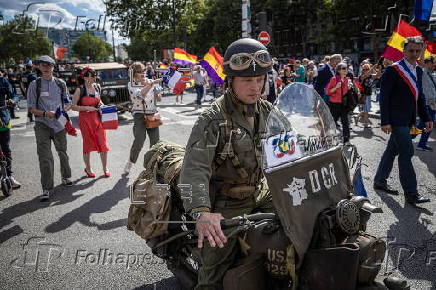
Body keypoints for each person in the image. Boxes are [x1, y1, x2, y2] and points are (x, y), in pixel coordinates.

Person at [180, 38, 275, 289]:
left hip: (259, 192)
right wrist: (202, 212)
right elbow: (193, 170)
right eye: (247, 80)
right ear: (230, 81)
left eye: (260, 79)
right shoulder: (212, 119)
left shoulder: (267, 110)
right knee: (214, 270)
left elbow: (288, 147)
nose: (256, 87)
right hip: (226, 202)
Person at [373, 36, 433, 205]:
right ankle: (411, 193)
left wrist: (427, 117)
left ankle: (379, 180)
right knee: (407, 153)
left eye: (417, 51)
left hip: (409, 119)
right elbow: (384, 98)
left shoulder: (419, 70)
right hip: (395, 120)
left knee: (392, 150)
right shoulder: (394, 70)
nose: (414, 54)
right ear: (404, 51)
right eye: (411, 51)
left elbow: (419, 96)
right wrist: (385, 121)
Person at [27, 55, 73, 201]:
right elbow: (30, 108)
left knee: (63, 152)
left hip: (59, 124)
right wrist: (46, 114)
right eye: (43, 65)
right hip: (42, 124)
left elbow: (67, 102)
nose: (46, 67)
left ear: (53, 67)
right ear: (39, 67)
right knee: (45, 157)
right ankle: (47, 188)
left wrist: (63, 111)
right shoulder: (35, 85)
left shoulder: (60, 83)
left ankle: (66, 177)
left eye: (49, 65)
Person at [71, 67, 110, 178]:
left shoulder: (97, 87)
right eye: (90, 76)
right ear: (84, 77)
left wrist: (101, 105)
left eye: (94, 76)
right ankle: (88, 168)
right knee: (87, 144)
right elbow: (73, 107)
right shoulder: (80, 89)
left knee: (103, 142)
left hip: (98, 118)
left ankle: (105, 168)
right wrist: (87, 108)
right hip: (85, 120)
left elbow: (99, 101)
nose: (93, 78)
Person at [124, 62, 161, 174]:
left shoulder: (150, 80)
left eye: (144, 71)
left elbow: (158, 99)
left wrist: (156, 90)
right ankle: (130, 161)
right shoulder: (131, 84)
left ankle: (150, 166)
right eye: (140, 72)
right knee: (139, 140)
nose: (143, 74)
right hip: (139, 114)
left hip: (152, 113)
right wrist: (150, 85)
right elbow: (139, 97)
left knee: (155, 142)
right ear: (134, 74)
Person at [0, 71, 21, 189]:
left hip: (2, 119)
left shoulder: (3, 81)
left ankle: (9, 176)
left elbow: (15, 95)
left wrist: (12, 101)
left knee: (5, 148)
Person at [325, 62, 351, 143]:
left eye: (346, 68)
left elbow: (345, 92)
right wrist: (336, 87)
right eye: (343, 68)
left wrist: (350, 87)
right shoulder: (334, 79)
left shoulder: (347, 79)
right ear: (339, 70)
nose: (345, 70)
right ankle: (327, 137)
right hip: (334, 104)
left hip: (343, 104)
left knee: (345, 122)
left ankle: (346, 139)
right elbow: (327, 92)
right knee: (332, 122)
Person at [416, 56, 436, 151]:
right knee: (427, 124)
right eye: (433, 63)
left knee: (425, 124)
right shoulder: (423, 72)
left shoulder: (433, 74)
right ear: (427, 63)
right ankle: (409, 136)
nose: (434, 65)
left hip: (433, 103)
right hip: (427, 103)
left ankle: (420, 143)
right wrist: (423, 49)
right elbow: (420, 61)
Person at [358, 63, 374, 128]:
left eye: (367, 69)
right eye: (365, 69)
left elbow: (378, 75)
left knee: (367, 108)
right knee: (366, 110)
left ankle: (357, 116)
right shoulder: (361, 76)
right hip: (363, 95)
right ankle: (366, 123)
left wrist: (379, 69)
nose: (366, 70)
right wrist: (372, 68)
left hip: (369, 94)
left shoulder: (371, 76)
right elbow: (365, 75)